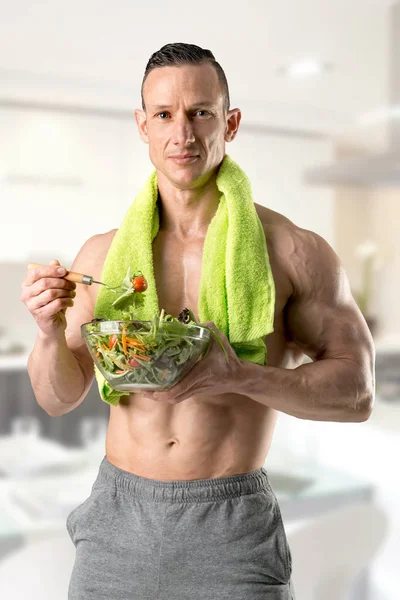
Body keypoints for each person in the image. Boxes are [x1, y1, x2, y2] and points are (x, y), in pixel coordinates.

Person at [21, 43, 374, 600]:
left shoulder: (293, 253)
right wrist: (46, 333)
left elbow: (359, 394)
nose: (181, 133)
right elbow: (56, 398)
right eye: (164, 114)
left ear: (229, 123)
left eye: (200, 112)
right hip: (119, 522)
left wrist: (239, 375)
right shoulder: (102, 258)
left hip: (231, 529)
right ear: (143, 125)